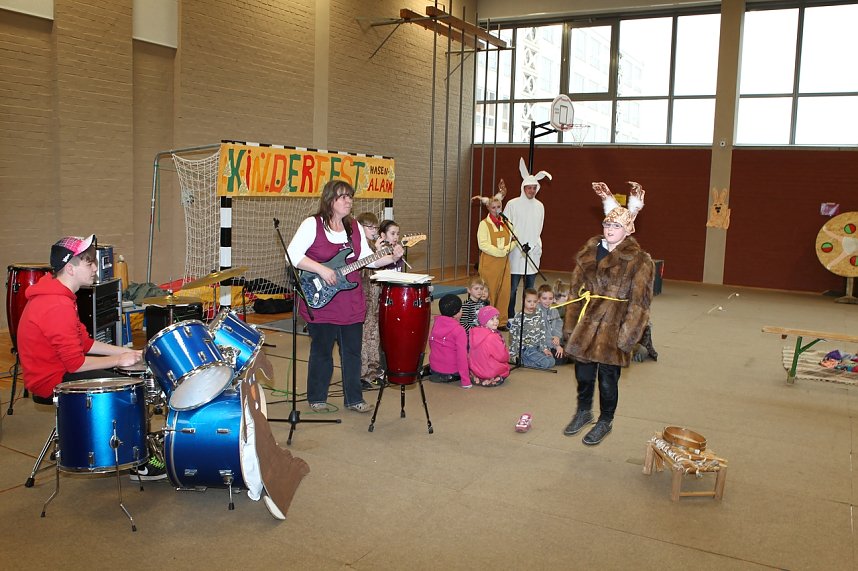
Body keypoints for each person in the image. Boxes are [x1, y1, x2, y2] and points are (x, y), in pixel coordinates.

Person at [16, 234, 163, 480]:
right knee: (129, 390)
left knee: (125, 372)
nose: (96, 268)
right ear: (70, 268)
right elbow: (76, 363)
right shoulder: (56, 305)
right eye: (89, 262)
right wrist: (118, 361)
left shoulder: (61, 296)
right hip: (51, 379)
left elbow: (84, 343)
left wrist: (128, 352)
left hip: (61, 369)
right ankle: (139, 463)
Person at [287, 180, 403, 413]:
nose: (349, 201)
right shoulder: (312, 224)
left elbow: (368, 258)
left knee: (352, 352)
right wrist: (321, 270)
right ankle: (317, 397)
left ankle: (354, 398)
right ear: (330, 200)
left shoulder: (354, 227)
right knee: (322, 351)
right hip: (321, 300)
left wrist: (391, 257)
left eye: (350, 197)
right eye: (343, 197)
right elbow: (292, 255)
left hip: (351, 302)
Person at [562, 182, 654, 446]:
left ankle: (605, 420)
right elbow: (575, 292)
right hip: (586, 324)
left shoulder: (639, 260)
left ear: (628, 229)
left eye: (616, 226)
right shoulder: (588, 254)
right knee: (583, 375)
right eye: (607, 224)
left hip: (614, 327)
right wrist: (570, 326)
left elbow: (640, 303)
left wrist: (627, 337)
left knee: (607, 380)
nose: (610, 229)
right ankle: (583, 412)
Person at [505, 157, 551, 320]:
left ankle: (528, 315)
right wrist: (515, 243)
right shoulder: (512, 204)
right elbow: (506, 225)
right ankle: (510, 316)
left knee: (530, 289)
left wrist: (534, 244)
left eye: (534, 188)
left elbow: (539, 228)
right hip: (516, 252)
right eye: (529, 188)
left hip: (532, 252)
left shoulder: (540, 206)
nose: (532, 190)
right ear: (523, 188)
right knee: (512, 288)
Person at [476, 196, 512, 329]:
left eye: (499, 207)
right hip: (489, 264)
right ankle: (487, 321)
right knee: (489, 293)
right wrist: (500, 252)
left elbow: (514, 239)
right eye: (493, 207)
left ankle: (501, 322)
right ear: (488, 208)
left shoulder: (506, 223)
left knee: (504, 292)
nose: (496, 210)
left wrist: (506, 249)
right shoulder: (484, 224)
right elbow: (483, 244)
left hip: (504, 264)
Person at [356, 212, 383, 390]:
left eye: (376, 227)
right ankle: (361, 374)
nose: (374, 231)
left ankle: (373, 370)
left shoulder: (374, 247)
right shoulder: (357, 247)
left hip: (374, 298)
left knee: (374, 335)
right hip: (361, 299)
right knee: (363, 338)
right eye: (370, 227)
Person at [427, 294, 472, 389]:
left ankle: (436, 373)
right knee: (469, 349)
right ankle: (448, 376)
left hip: (434, 368)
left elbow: (431, 344)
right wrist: (466, 381)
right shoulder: (459, 330)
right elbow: (461, 356)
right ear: (457, 312)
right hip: (451, 371)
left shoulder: (436, 323)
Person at [508, 288, 555, 370]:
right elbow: (513, 335)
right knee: (546, 363)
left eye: (535, 302)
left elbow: (542, 331)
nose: (532, 304)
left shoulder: (539, 313)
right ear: (523, 301)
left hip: (537, 347)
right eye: (529, 301)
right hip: (525, 349)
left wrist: (544, 348)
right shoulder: (519, 316)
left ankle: (526, 361)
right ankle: (521, 361)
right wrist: (512, 353)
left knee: (552, 361)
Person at [468, 305, 509, 387]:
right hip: (489, 371)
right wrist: (507, 355)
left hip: (475, 369)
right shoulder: (493, 337)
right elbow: (502, 357)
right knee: (506, 367)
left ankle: (477, 376)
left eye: (497, 318)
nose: (496, 321)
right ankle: (492, 378)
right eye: (492, 319)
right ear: (484, 321)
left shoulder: (473, 332)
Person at [537, 284, 565, 363]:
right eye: (544, 298)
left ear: (553, 299)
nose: (548, 301)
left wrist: (557, 336)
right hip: (542, 344)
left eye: (550, 298)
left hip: (553, 341)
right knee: (560, 358)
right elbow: (543, 333)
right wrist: (556, 346)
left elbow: (559, 324)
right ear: (538, 299)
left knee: (570, 351)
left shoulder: (554, 310)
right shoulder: (537, 312)